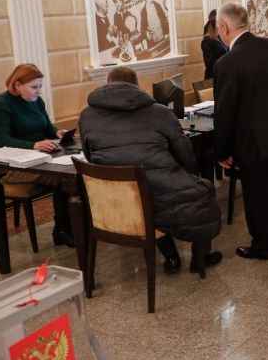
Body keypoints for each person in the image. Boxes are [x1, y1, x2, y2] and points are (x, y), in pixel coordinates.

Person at [79, 67, 223, 274]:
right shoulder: (159, 112)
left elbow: (89, 155)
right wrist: (189, 174)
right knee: (203, 191)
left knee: (151, 203)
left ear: (107, 84)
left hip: (118, 197)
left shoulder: (87, 116)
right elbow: (184, 153)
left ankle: (171, 257)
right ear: (136, 85)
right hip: (159, 186)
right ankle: (200, 259)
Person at [213, 2, 268, 261]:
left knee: (257, 194)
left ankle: (263, 246)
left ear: (224, 27)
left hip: (251, 141)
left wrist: (222, 151)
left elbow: (225, 113)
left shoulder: (226, 63)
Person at [0, 64, 73, 247]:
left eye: (40, 86)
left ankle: (72, 226)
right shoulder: (1, 104)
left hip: (39, 158)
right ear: (17, 85)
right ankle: (62, 230)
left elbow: (47, 128)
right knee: (65, 179)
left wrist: (57, 133)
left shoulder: (37, 101)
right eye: (34, 87)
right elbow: (2, 140)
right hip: (14, 166)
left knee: (74, 172)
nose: (38, 91)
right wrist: (33, 145)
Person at [201, 10, 227, 80]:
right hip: (213, 76)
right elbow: (209, 63)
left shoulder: (219, 38)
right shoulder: (207, 42)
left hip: (222, 74)